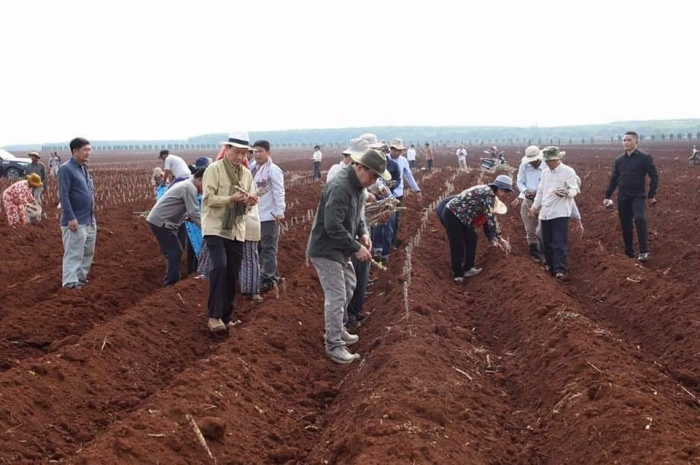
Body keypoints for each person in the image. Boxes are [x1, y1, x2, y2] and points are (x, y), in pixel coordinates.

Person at [307, 148, 391, 364]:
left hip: (340, 248)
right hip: (326, 249)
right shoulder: (340, 187)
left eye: (377, 178)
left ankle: (339, 327)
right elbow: (332, 226)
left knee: (349, 284)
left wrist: (363, 233)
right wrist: (356, 247)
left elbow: (359, 215)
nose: (373, 181)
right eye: (373, 176)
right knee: (336, 295)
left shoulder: (359, 186)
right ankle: (333, 344)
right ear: (360, 167)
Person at [201, 131, 257, 333]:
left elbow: (248, 203)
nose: (240, 157)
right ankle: (214, 316)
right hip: (215, 227)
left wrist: (250, 201)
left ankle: (226, 316)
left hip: (236, 229)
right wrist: (230, 199)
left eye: (244, 153)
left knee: (233, 273)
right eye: (236, 152)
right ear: (227, 149)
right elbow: (208, 200)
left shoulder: (246, 174)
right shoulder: (214, 170)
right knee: (220, 266)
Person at [439, 175, 513, 281]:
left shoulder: (488, 192)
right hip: (452, 215)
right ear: (500, 189)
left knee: (472, 237)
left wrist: (493, 238)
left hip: (463, 217)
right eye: (506, 192)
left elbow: (487, 221)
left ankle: (468, 268)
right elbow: (491, 219)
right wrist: (500, 238)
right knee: (457, 244)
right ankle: (458, 274)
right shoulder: (488, 194)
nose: (506, 196)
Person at [603, 131, 659, 262]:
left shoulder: (644, 157)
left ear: (636, 142)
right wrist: (607, 196)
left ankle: (644, 252)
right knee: (625, 224)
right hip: (623, 196)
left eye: (629, 140)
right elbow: (614, 178)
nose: (626, 143)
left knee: (640, 219)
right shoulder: (619, 160)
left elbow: (654, 177)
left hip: (638, 195)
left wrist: (651, 195)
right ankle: (628, 253)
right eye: (624, 140)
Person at [529, 146, 581, 280]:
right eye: (546, 161)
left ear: (557, 159)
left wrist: (566, 193)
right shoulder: (545, 173)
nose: (548, 163)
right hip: (545, 212)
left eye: (550, 160)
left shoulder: (568, 171)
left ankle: (560, 270)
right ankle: (550, 266)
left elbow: (574, 189)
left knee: (559, 242)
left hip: (560, 212)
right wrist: (534, 207)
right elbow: (540, 192)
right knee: (546, 241)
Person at [146, 168, 204, 286]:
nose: (205, 189)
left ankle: (173, 282)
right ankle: (171, 284)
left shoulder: (187, 184)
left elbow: (187, 210)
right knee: (175, 252)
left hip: (163, 221)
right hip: (161, 222)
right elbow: (194, 213)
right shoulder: (189, 187)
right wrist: (207, 229)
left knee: (175, 251)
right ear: (200, 179)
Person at [58, 137, 97, 289]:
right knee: (74, 253)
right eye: (85, 150)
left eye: (89, 150)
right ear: (75, 151)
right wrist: (71, 217)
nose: (88, 153)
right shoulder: (66, 169)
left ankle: (80, 281)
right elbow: (64, 195)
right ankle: (70, 285)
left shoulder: (84, 168)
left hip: (89, 219)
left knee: (87, 253)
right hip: (75, 220)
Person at [250, 140, 286, 294]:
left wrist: (280, 211)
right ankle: (269, 276)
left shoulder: (273, 170)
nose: (257, 154)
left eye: (260, 151)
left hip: (269, 216)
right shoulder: (252, 168)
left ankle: (268, 279)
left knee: (268, 249)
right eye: (255, 151)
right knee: (258, 248)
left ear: (268, 153)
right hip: (255, 215)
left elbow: (279, 191)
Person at [512, 146, 546, 261]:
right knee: (530, 229)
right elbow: (520, 182)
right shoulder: (524, 166)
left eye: (534, 160)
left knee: (543, 228)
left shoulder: (546, 166)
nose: (532, 162)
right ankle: (535, 253)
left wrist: (539, 192)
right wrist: (525, 191)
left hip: (543, 201)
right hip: (528, 201)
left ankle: (545, 252)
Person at [389, 138, 422, 248]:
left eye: (399, 150)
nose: (397, 152)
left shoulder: (403, 161)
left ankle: (392, 242)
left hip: (398, 194)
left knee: (396, 219)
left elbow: (409, 176)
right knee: (386, 219)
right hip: (385, 194)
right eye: (395, 150)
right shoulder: (384, 159)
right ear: (391, 149)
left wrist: (417, 190)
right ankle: (383, 244)